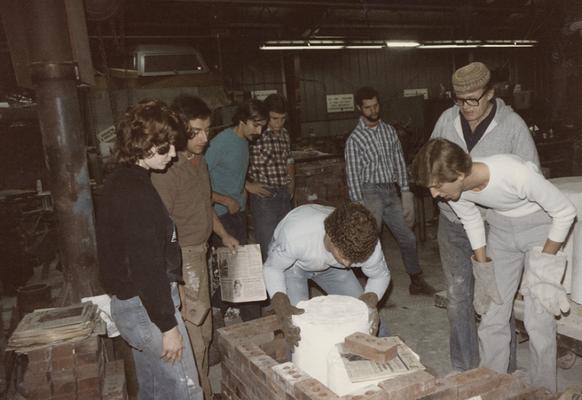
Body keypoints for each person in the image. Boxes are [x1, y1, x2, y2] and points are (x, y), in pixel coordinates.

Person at [412, 138, 575, 391]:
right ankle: (491, 385)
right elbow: (472, 221)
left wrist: (543, 268)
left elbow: (565, 212)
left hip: (540, 228)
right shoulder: (455, 191)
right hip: (500, 229)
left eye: (436, 186)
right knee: (492, 310)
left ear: (458, 173)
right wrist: (483, 265)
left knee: (538, 317)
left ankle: (544, 390)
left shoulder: (514, 173)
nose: (434, 194)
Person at [430, 61, 540, 372]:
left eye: (473, 99)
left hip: (495, 227)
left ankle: (502, 372)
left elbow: (531, 177)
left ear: (490, 93)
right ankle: (466, 371)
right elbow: (432, 165)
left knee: (495, 302)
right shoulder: (445, 121)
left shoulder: (512, 126)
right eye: (459, 99)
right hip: (452, 224)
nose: (465, 107)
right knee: (458, 299)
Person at [97, 100, 203, 400]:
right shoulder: (135, 192)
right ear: (140, 145)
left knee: (156, 390)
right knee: (184, 390)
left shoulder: (122, 180)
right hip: (146, 309)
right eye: (163, 147)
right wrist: (168, 326)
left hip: (134, 304)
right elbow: (145, 265)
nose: (172, 154)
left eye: (171, 145)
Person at [151, 95, 238, 399]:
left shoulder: (197, 161)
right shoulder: (167, 171)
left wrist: (224, 235)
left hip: (201, 253)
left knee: (205, 329)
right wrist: (175, 282)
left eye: (207, 130)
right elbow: (158, 232)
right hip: (182, 260)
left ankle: (206, 390)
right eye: (196, 132)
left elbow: (204, 204)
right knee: (193, 337)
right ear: (179, 129)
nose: (205, 138)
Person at [345, 86, 435, 296]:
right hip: (369, 192)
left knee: (408, 238)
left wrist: (405, 192)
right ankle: (366, 285)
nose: (373, 110)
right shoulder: (354, 139)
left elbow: (398, 162)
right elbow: (352, 175)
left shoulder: (389, 131)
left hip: (390, 191)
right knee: (369, 240)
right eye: (368, 107)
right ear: (360, 108)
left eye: (376, 105)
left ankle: (416, 281)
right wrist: (358, 205)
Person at [263, 202, 391, 348]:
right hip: (293, 265)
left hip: (332, 265)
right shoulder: (296, 235)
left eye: (354, 259)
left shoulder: (368, 245)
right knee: (297, 328)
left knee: (366, 316)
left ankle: (391, 356)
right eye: (344, 256)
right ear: (330, 237)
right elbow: (272, 268)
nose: (348, 264)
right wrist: (279, 300)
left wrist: (371, 298)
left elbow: (380, 276)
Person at [205, 99, 267, 321]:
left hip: (238, 213)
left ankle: (221, 308)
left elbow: (233, 174)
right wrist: (223, 199)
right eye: (256, 125)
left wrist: (247, 186)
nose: (259, 131)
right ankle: (251, 320)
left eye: (262, 126)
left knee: (233, 269)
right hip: (220, 216)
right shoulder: (220, 143)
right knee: (240, 270)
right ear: (242, 120)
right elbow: (198, 183)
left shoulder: (243, 141)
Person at [247, 94, 295, 261]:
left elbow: (289, 159)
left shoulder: (284, 134)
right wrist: (248, 186)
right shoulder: (255, 135)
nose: (278, 123)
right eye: (274, 119)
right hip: (264, 197)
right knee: (268, 245)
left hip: (283, 194)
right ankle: (270, 286)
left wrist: (291, 183)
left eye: (282, 119)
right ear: (266, 116)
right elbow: (239, 164)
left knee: (287, 243)